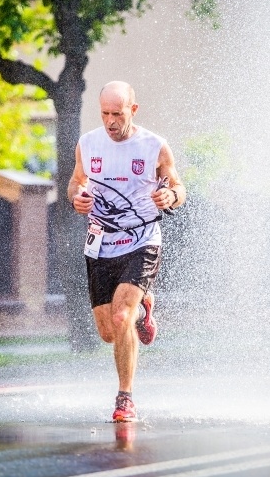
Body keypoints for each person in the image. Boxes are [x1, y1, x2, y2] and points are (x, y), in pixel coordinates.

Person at [68, 81, 186, 421]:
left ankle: (125, 398)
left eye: (117, 114)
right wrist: (77, 197)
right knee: (109, 332)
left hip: (141, 239)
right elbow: (77, 181)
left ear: (133, 110)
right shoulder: (88, 144)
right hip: (100, 243)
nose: (110, 122)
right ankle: (146, 304)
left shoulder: (154, 147)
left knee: (122, 317)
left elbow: (178, 187)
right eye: (104, 114)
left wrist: (171, 198)